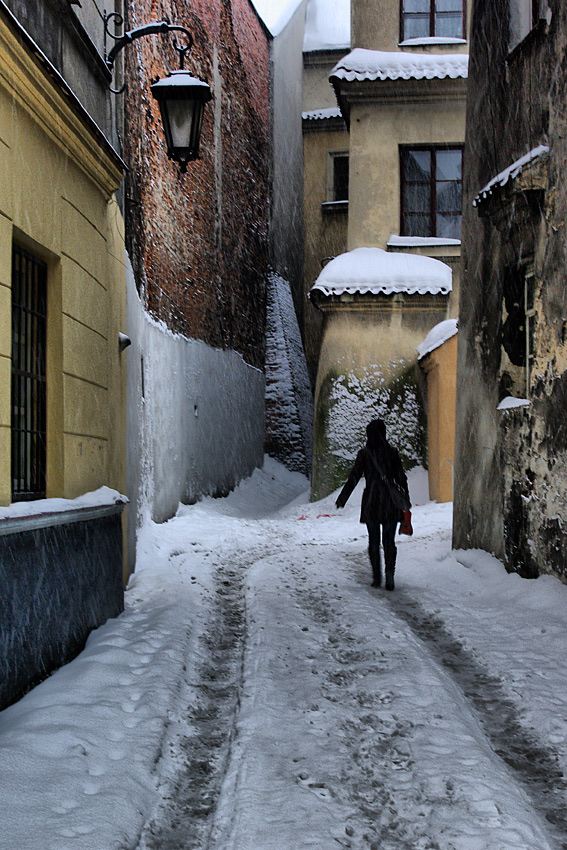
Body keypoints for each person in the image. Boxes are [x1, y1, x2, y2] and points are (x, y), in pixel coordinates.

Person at [335, 418, 410, 591]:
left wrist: (342, 498)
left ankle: (377, 577)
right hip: (390, 503)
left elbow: (354, 477)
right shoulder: (392, 452)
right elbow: (401, 477)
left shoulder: (364, 454)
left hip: (372, 501)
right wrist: (405, 499)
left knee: (374, 540)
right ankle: (390, 574)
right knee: (389, 541)